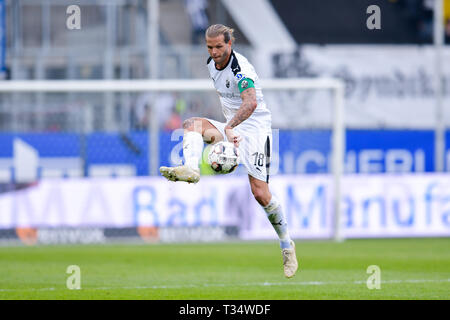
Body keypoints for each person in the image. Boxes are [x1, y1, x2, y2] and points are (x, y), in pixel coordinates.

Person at [160, 24, 298, 278]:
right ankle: (191, 168)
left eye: (219, 47)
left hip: (255, 132)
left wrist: (232, 127)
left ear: (229, 44)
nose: (214, 52)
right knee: (191, 125)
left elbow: (251, 102)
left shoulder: (240, 68)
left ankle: (286, 244)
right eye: (209, 47)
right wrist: (226, 132)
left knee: (260, 194)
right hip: (232, 127)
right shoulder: (211, 64)